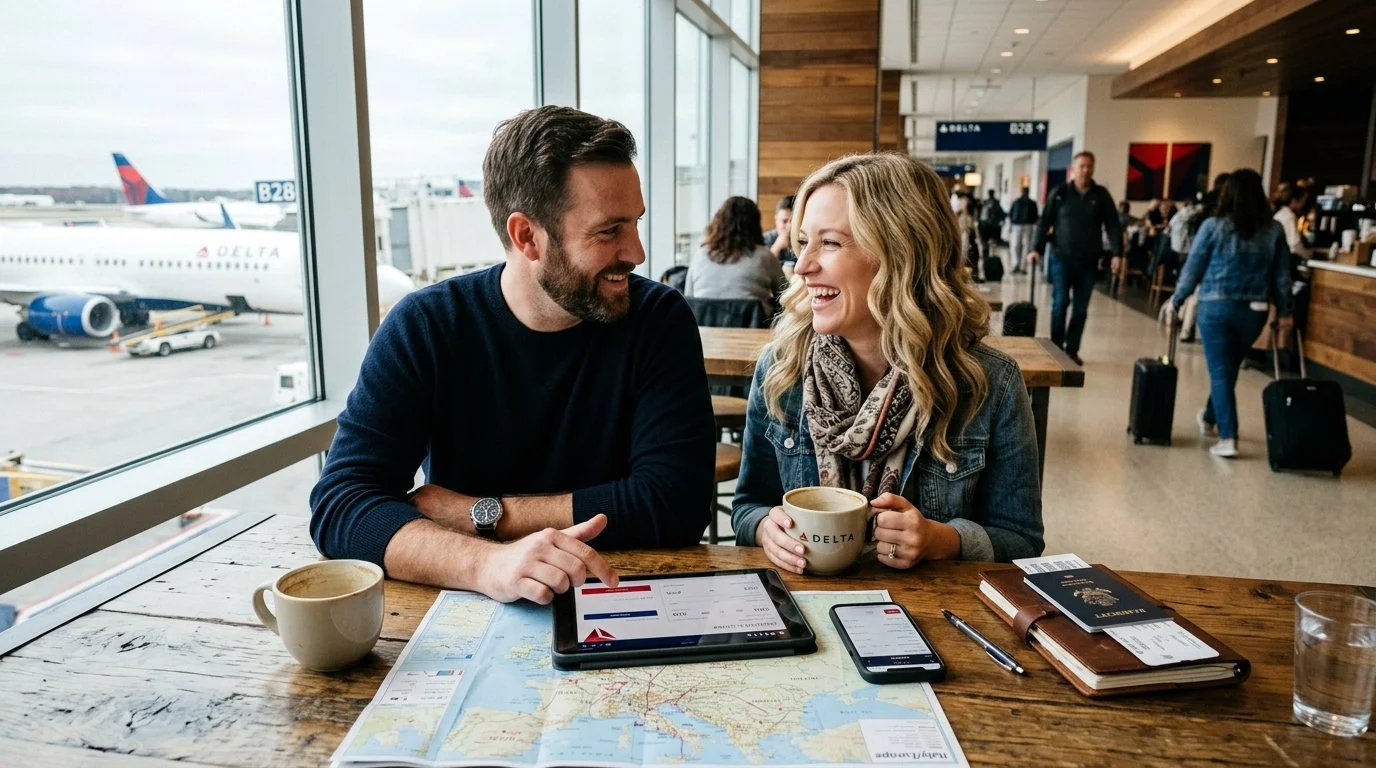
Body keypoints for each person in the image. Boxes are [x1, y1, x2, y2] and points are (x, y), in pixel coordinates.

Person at [309, 106, 716, 603]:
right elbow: (342, 503)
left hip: (624, 598)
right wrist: (487, 564)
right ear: (527, 236)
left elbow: (676, 504)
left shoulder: (657, 319)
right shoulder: (427, 326)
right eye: (610, 231)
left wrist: (482, 514)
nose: (637, 252)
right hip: (465, 611)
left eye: (635, 223)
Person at [731, 153, 1045, 571]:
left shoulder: (989, 382)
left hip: (933, 615)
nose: (802, 266)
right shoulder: (783, 367)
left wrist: (943, 540)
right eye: (803, 241)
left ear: (901, 253)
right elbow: (749, 505)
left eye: (829, 243)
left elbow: (1022, 540)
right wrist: (763, 528)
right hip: (807, 608)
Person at [1164, 169, 1292, 459]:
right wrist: (1285, 311)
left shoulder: (1213, 226)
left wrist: (1178, 298)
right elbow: (1282, 276)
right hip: (1255, 311)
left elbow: (1193, 266)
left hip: (1216, 307)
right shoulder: (1273, 230)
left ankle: (1228, 436)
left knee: (1221, 370)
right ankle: (1210, 417)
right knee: (1228, 368)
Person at [1028, 151, 1123, 366]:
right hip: (1061, 257)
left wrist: (1118, 253)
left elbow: (1112, 225)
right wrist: (1036, 248)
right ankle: (1055, 347)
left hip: (1088, 261)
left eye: (1089, 166)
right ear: (1074, 168)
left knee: (1080, 308)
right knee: (1060, 302)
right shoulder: (1060, 193)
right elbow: (1045, 222)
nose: (1086, 170)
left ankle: (1072, 349)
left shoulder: (1100, 195)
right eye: (1082, 166)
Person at [685, 196, 786, 309]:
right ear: (755, 224)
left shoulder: (700, 255)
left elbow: (689, 298)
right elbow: (785, 297)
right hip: (752, 325)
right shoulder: (764, 256)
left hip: (704, 324)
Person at [1007, 187, 1039, 275]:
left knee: (1015, 245)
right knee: (1026, 246)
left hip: (1017, 225)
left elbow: (1010, 214)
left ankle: (1016, 264)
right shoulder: (1032, 203)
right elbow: (1035, 216)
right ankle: (1023, 267)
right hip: (1028, 225)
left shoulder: (1016, 201)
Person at [764, 195, 797, 270]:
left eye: (793, 221)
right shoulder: (765, 239)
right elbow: (762, 269)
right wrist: (777, 246)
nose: (790, 226)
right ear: (776, 220)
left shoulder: (804, 240)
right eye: (784, 221)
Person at [978, 189, 1006, 260]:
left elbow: (981, 215)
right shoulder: (995, 203)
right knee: (993, 242)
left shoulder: (985, 203)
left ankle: (986, 257)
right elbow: (1001, 213)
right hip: (993, 226)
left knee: (985, 242)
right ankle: (992, 258)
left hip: (986, 225)